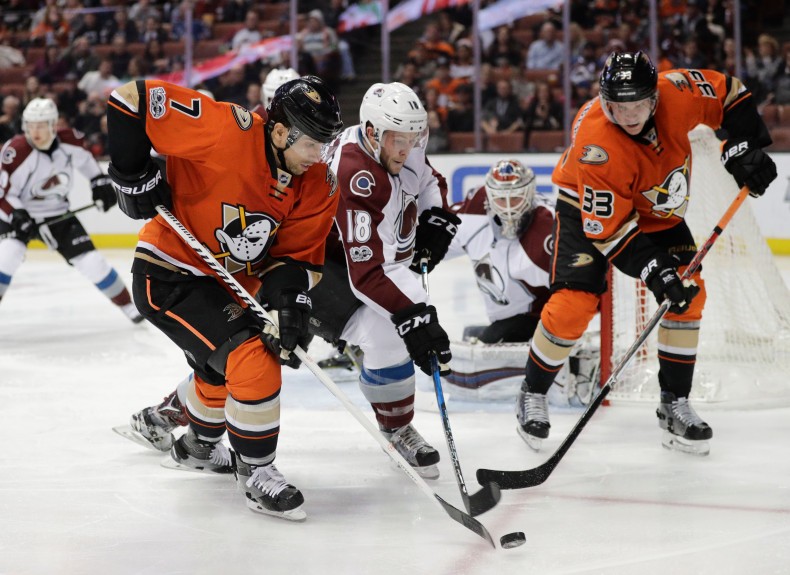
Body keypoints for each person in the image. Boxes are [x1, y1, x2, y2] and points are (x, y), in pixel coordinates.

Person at [106, 75, 343, 520]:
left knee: (219, 373)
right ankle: (257, 473)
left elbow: (296, 260)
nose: (319, 156)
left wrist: (289, 304)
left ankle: (196, 446)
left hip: (228, 286)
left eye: (325, 144)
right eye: (312, 143)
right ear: (279, 131)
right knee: (252, 358)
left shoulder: (318, 183)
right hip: (169, 273)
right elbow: (130, 99)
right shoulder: (227, 129)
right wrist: (131, 174)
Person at [517, 51, 777, 455]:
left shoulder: (677, 91)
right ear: (605, 102)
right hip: (588, 207)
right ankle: (532, 392)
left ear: (654, 97)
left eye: (638, 104)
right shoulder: (596, 144)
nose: (629, 115)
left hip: (657, 209)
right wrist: (656, 270)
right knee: (573, 304)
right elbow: (608, 231)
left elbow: (731, 92)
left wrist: (743, 144)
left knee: (687, 296)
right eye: (619, 107)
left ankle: (674, 404)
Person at [308, 82, 461, 479]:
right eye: (399, 140)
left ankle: (396, 427)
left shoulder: (399, 139)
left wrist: (436, 216)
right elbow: (369, 274)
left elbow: (427, 178)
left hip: (356, 259)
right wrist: (417, 317)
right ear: (373, 132)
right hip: (313, 267)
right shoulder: (355, 173)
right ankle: (183, 417)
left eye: (414, 138)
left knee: (389, 333)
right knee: (255, 352)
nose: (407, 148)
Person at [0, 98, 142, 324]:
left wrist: (99, 184)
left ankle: (128, 305)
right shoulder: (15, 151)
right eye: (30, 125)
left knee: (93, 262)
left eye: (41, 125)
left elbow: (90, 167)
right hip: (17, 215)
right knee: (6, 258)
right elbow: (4, 194)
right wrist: (17, 215)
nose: (34, 132)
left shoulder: (71, 141)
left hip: (57, 214)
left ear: (53, 125)